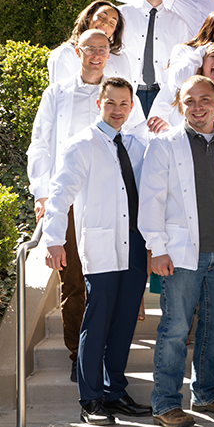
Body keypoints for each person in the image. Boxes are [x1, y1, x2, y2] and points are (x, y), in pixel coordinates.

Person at [29, 30, 147, 385]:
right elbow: (40, 145)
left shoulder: (124, 106)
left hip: (115, 207)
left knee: (114, 291)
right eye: (90, 49)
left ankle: (108, 375)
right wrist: (42, 195)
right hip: (70, 201)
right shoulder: (59, 96)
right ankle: (79, 356)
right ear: (77, 51)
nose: (96, 55)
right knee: (76, 283)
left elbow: (140, 145)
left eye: (103, 49)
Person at [138, 76, 214, 427]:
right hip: (180, 255)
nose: (198, 107)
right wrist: (156, 249)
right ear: (180, 104)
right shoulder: (164, 146)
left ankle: (207, 393)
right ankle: (166, 403)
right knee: (175, 329)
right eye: (190, 101)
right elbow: (151, 201)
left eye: (205, 99)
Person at [41, 77, 152, 425]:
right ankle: (91, 399)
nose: (117, 111)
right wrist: (53, 240)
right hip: (101, 246)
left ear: (132, 107)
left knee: (122, 325)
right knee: (97, 322)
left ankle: (115, 392)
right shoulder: (81, 144)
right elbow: (59, 197)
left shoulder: (136, 146)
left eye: (124, 105)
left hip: (134, 245)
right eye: (111, 103)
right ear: (98, 105)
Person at [118, 0, 190, 117]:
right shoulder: (122, 15)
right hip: (127, 92)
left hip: (163, 95)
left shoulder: (178, 24)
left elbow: (183, 64)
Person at [147, 42, 214, 128]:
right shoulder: (174, 89)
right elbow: (152, 127)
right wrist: (168, 129)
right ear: (202, 63)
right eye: (213, 56)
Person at [47, 0, 133, 85]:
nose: (105, 24)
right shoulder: (65, 53)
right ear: (89, 16)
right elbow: (60, 94)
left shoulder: (121, 58)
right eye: (102, 17)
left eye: (112, 23)